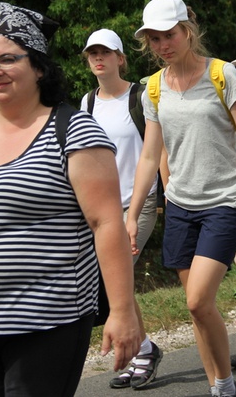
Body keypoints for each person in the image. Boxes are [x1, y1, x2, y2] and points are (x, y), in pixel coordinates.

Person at [0, 2, 141, 396]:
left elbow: (106, 223)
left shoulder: (72, 131)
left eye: (7, 59)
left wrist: (122, 312)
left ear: (38, 66)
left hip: (48, 321)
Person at [128, 0, 236, 397]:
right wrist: (132, 212)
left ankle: (226, 382)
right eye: (154, 39)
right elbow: (149, 155)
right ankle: (221, 388)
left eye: (170, 34)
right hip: (180, 204)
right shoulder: (154, 89)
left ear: (188, 31)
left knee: (197, 302)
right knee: (199, 310)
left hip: (227, 201)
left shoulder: (224, 75)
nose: (163, 44)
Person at [80, 29, 163, 390]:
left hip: (139, 202)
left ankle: (143, 350)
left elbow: (159, 148)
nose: (99, 58)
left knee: (121, 274)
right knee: (117, 280)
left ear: (120, 58)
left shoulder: (139, 97)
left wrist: (167, 197)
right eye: (92, 53)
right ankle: (140, 350)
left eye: (106, 52)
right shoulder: (86, 104)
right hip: (102, 208)